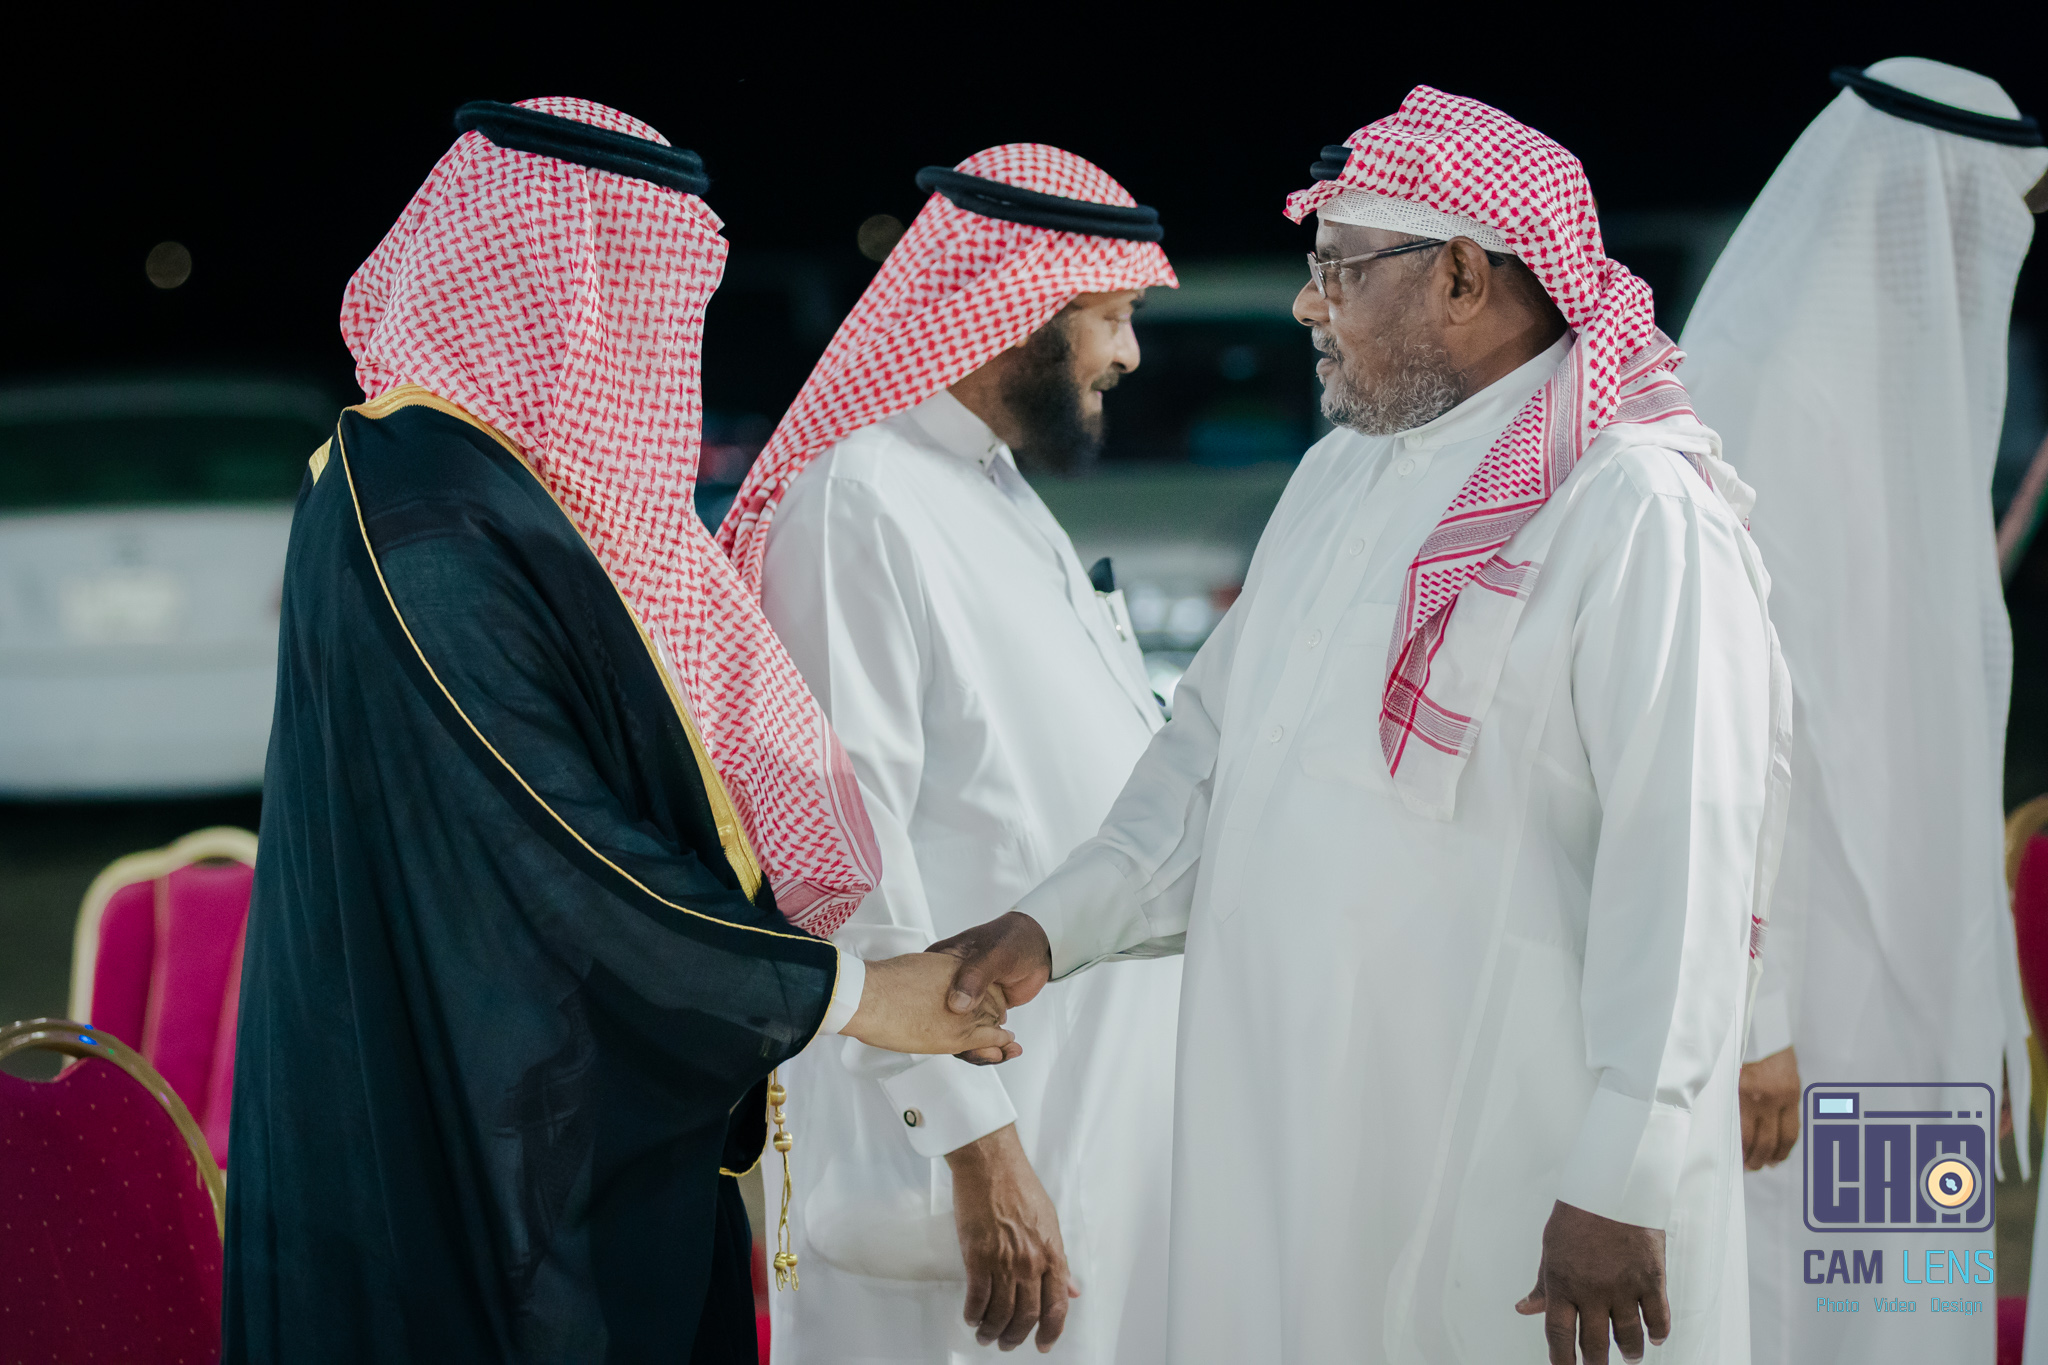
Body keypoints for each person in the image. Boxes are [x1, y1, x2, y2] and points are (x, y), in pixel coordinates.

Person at [933, 87, 1792, 1365]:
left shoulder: (1631, 511)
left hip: (1516, 1148)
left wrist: (1625, 1169)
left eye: (1337, 268)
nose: (1305, 304)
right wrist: (1052, 925)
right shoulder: (1338, 475)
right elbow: (1211, 761)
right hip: (1295, 1119)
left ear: (1460, 276)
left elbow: (1687, 861)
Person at [223, 98, 1013, 1364]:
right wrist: (859, 994)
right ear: (554, 287)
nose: (659, 341)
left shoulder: (495, 495)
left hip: (537, 1099)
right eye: (638, 292)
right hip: (472, 1133)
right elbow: (556, 849)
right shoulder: (426, 517)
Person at [721, 144, 1182, 1362]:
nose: (1126, 354)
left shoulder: (991, 491)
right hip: (949, 1173)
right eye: (1109, 316)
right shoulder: (856, 502)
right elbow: (842, 862)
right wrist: (974, 1144)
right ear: (1010, 315)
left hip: (1074, 1123)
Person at [1678, 58, 2048, 1365]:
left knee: (1899, 1292)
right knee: (1799, 1297)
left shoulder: (1903, 385)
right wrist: (1759, 1014)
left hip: (1901, 972)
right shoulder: (1769, 391)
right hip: (1802, 980)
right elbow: (1729, 734)